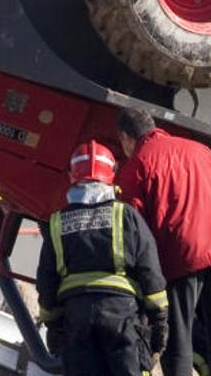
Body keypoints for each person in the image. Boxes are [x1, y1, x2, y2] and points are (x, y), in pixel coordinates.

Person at [114, 107, 211, 376]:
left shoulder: (137, 165)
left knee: (178, 342)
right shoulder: (199, 150)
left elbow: (131, 226)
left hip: (180, 259)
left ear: (127, 138)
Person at [37, 140, 169, 376]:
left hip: (76, 317)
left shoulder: (56, 222)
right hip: (121, 314)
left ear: (71, 177)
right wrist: (159, 320)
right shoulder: (126, 215)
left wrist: (53, 324)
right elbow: (149, 269)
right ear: (111, 176)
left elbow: (47, 279)